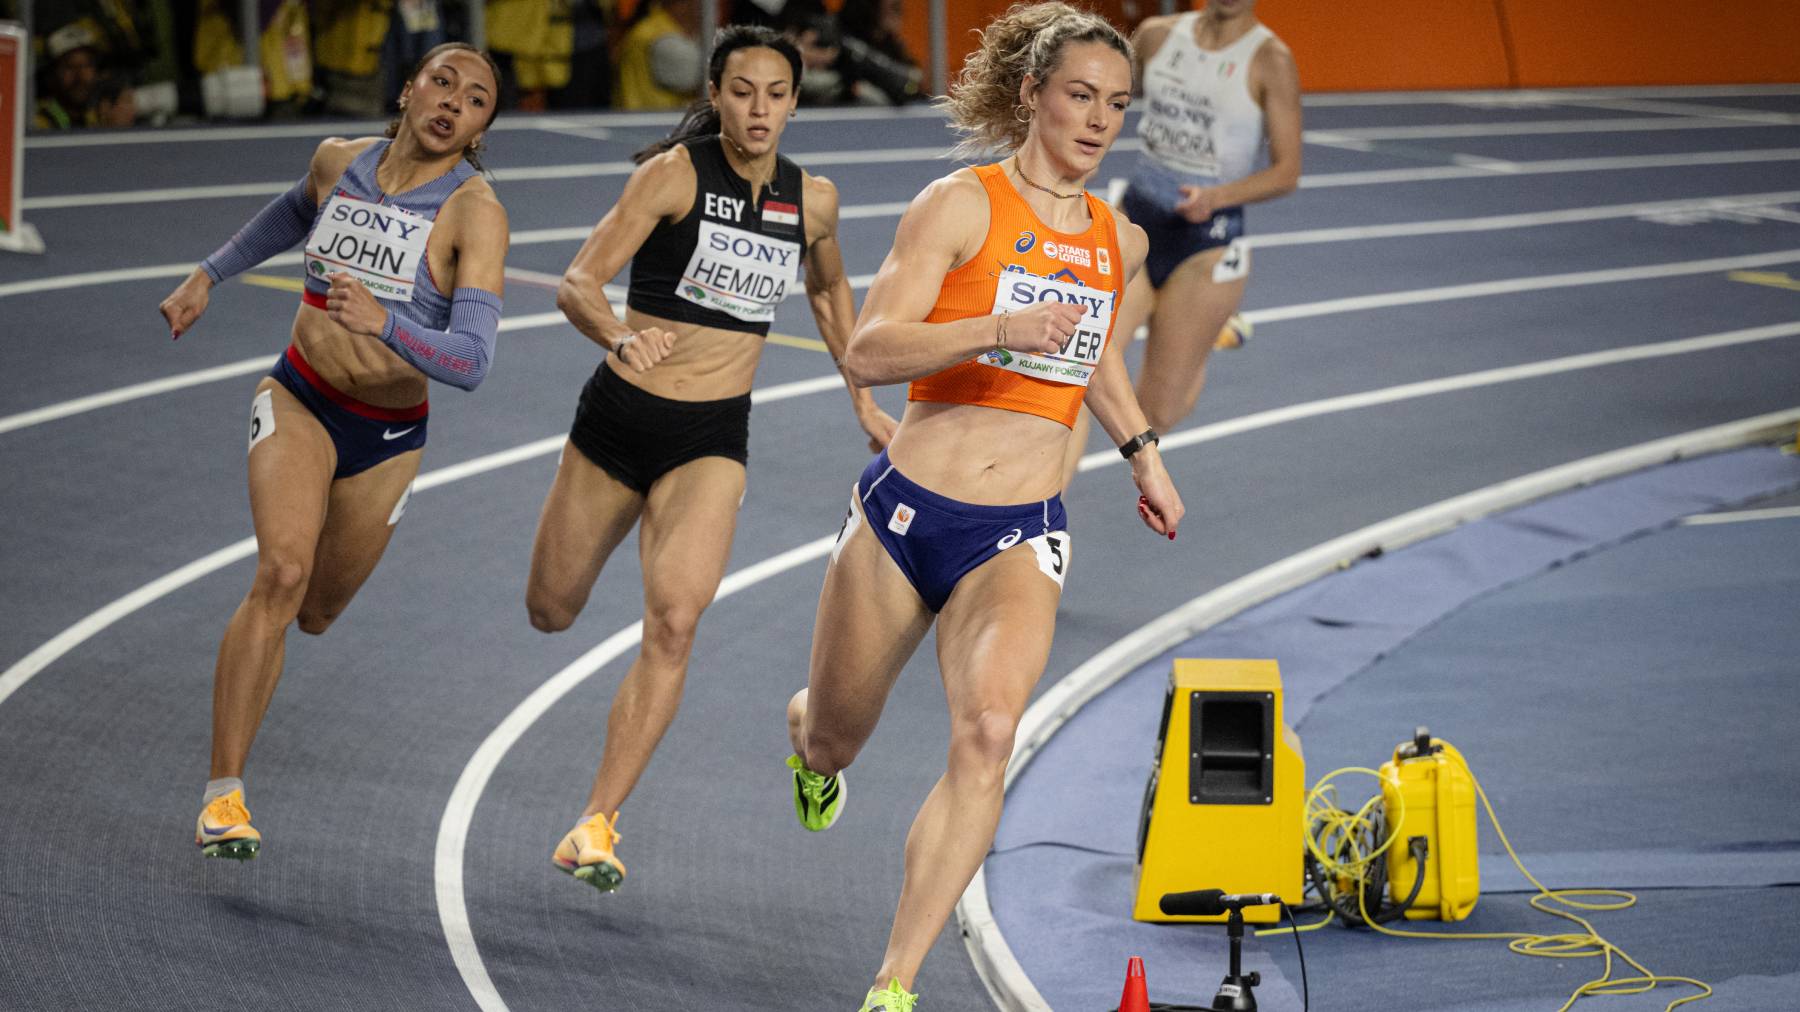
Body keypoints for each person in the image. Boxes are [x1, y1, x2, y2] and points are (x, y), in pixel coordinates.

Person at [780, 5, 1183, 1008]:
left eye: (1116, 105)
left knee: (989, 732)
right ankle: (812, 746)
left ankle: (894, 982)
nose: (1097, 121)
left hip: (1018, 531)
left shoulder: (1117, 241)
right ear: (1033, 94)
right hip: (905, 514)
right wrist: (997, 323)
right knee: (833, 733)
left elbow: (1091, 356)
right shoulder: (959, 207)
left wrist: (1142, 452)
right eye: (1080, 96)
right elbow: (871, 349)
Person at [535, 24, 896, 894]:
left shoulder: (814, 201)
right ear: (717, 94)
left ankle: (597, 821)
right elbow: (579, 281)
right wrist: (618, 337)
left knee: (676, 622)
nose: (760, 108)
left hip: (711, 437)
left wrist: (863, 397)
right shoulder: (670, 177)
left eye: (776, 93)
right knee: (552, 608)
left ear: (796, 101)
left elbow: (827, 286)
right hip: (620, 419)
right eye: (742, 91)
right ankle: (596, 809)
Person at [159, 42, 510, 860]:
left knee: (314, 612)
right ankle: (224, 796)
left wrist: (386, 323)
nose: (454, 102)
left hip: (387, 434)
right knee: (280, 574)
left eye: (478, 99)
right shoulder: (338, 162)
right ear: (411, 88)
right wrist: (209, 275)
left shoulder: (473, 213)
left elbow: (475, 361)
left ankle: (241, 746)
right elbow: (291, 211)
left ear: (482, 126)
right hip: (300, 394)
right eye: (443, 81)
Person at [1062, 0, 1300, 485]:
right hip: (1138, 224)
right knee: (1077, 369)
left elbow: (1286, 171)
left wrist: (1219, 195)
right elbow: (1104, 97)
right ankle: (1042, 506)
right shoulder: (1156, 36)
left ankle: (1201, 327)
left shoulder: (1270, 60)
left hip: (1205, 243)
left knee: (1156, 412)